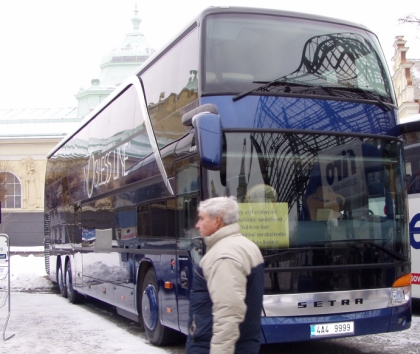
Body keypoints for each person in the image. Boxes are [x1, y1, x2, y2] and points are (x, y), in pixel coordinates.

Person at [186, 196, 264, 354]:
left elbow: (228, 313)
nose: (197, 225)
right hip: (244, 344)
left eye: (201, 218)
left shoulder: (223, 255)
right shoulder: (244, 245)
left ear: (217, 221)